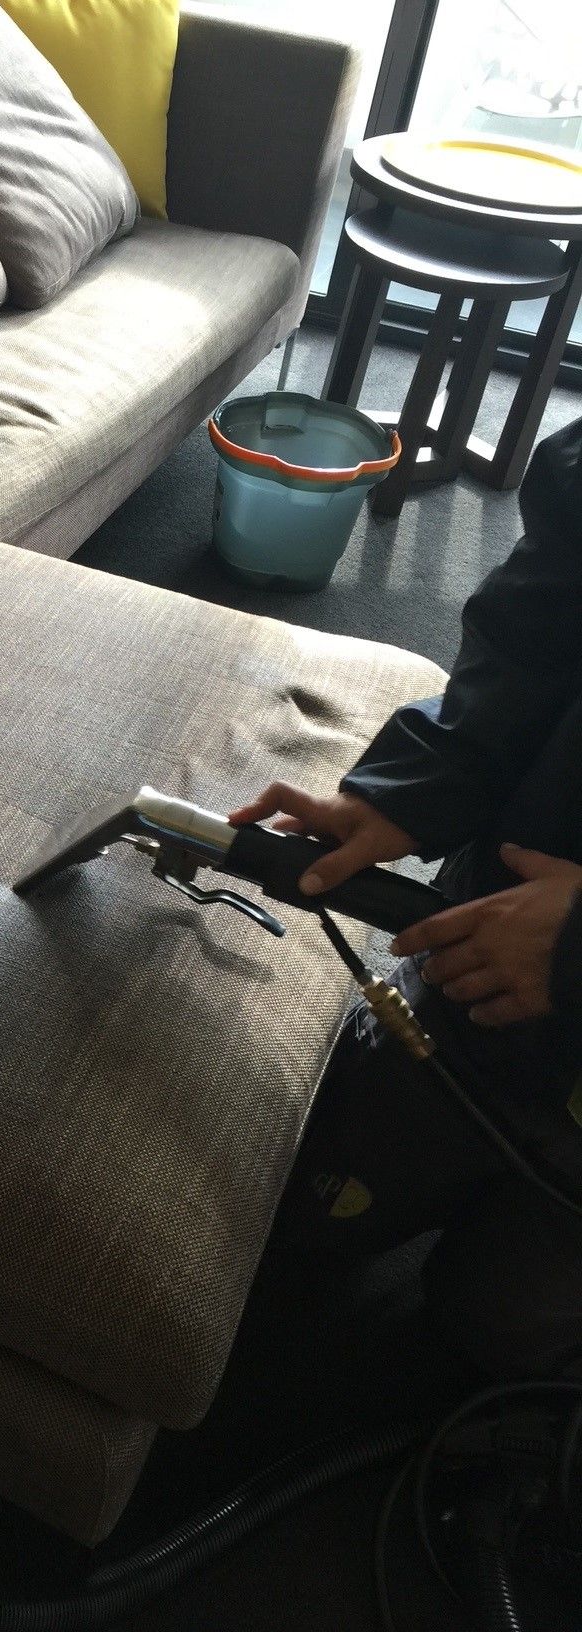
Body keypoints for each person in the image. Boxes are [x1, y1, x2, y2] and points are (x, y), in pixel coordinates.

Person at [230, 414, 582, 1376]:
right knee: (314, 1203)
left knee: (494, 1329)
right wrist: (406, 795)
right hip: (484, 978)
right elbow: (520, 655)